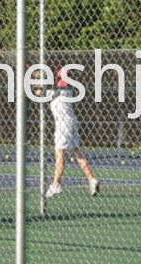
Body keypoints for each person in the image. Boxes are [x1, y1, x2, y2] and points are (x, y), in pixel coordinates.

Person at [36, 67, 99, 198]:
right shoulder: (66, 90)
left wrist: (35, 83)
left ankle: (56, 184)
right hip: (71, 123)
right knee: (77, 153)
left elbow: (38, 93)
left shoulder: (57, 91)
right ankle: (92, 179)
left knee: (60, 154)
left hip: (63, 125)